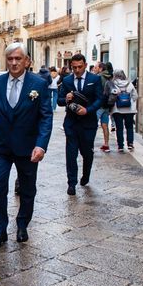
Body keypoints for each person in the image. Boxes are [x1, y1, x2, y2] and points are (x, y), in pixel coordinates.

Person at [0, 43, 52, 249]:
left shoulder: (38, 85)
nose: (14, 63)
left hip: (28, 148)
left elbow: (45, 117)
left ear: (27, 61)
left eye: (18, 59)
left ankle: (22, 225)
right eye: (10, 59)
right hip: (1, 148)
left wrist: (41, 145)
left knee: (27, 190)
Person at [57, 53, 104, 196]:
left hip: (88, 123)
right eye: (74, 67)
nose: (77, 70)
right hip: (71, 123)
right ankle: (71, 183)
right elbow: (58, 101)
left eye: (80, 67)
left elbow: (99, 99)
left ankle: (86, 175)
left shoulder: (94, 79)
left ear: (84, 65)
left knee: (87, 152)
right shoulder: (66, 81)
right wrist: (66, 98)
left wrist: (87, 110)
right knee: (71, 154)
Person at [107, 69, 138, 152]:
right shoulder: (130, 84)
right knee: (129, 127)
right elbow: (135, 96)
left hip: (117, 110)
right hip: (129, 110)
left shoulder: (113, 84)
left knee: (119, 128)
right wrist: (129, 100)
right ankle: (130, 144)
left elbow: (110, 96)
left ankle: (120, 146)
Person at [95, 61, 114, 153]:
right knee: (105, 125)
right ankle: (106, 144)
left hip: (99, 105)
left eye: (96, 67)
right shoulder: (110, 76)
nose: (94, 69)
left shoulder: (99, 77)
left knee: (93, 125)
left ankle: (90, 145)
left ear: (100, 68)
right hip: (107, 104)